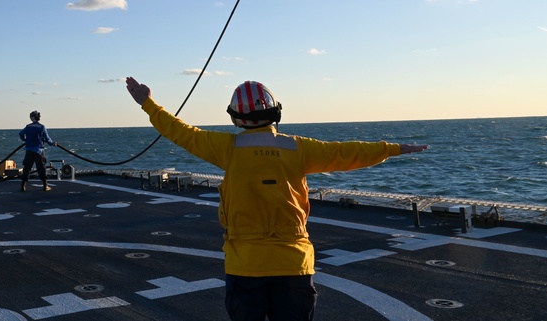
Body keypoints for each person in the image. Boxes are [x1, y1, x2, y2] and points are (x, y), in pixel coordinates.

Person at [125, 76, 428, 321]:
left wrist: (148, 104)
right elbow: (348, 152)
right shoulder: (299, 148)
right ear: (275, 112)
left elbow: (180, 132)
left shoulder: (225, 147)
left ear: (235, 117)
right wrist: (393, 148)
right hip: (293, 262)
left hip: (245, 264)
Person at [18, 110, 58, 192]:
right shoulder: (42, 127)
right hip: (39, 151)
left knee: (27, 168)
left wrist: (25, 140)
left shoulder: (28, 126)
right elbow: (47, 139)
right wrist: (53, 144)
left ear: (31, 118)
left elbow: (21, 133)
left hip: (29, 151)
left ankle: (23, 186)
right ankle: (45, 186)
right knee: (41, 168)